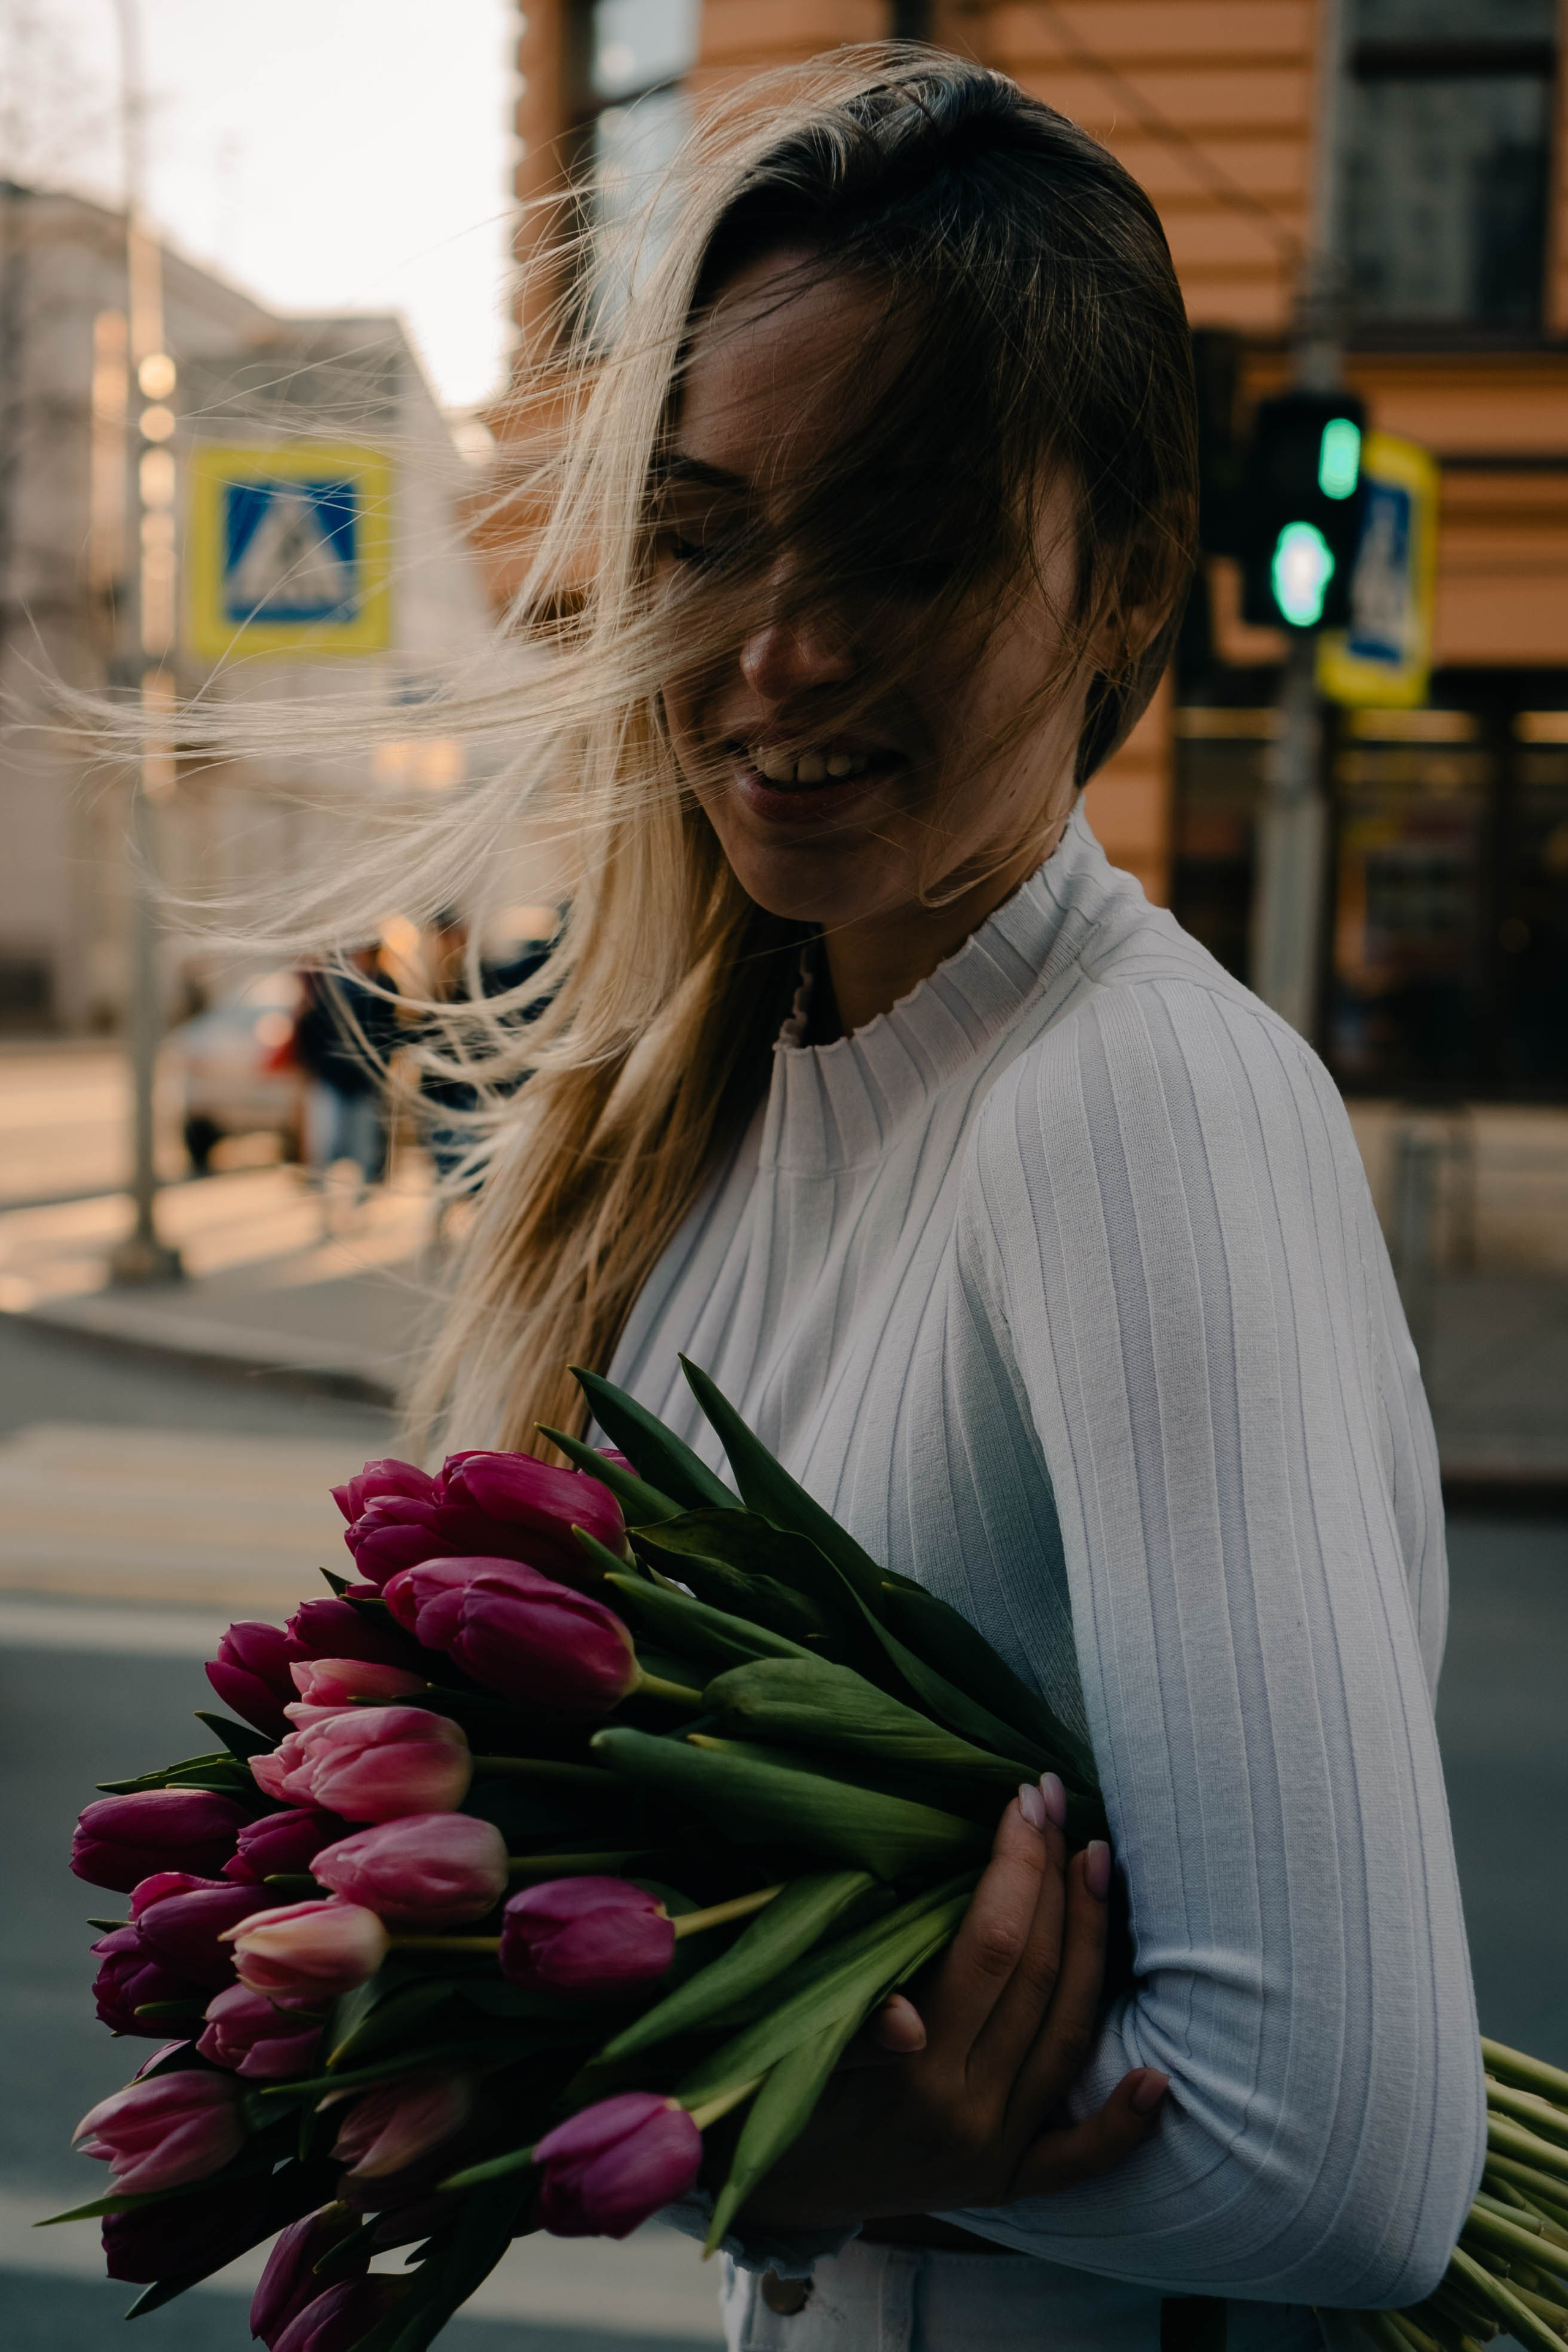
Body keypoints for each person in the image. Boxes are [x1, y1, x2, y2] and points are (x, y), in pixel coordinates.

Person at [305, 47, 1484, 2352]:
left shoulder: (1133, 1102)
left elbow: (1342, 2161)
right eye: (707, 533)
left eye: (907, 540)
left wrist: (742, 2127)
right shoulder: (715, 1122)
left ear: (1120, 574)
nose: (780, 647)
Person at [292, 945, 400, 1206]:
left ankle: (362, 1197)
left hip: (365, 1081)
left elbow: (388, 1032)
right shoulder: (334, 983)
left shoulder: (383, 985)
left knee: (363, 1146)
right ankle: (324, 1199)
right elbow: (314, 1027)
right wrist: (316, 1067)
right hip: (333, 1077)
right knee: (328, 1143)